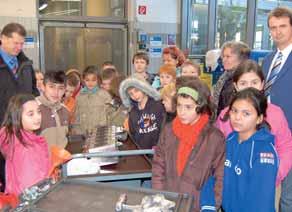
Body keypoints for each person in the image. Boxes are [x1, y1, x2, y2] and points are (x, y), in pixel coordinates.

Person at [216, 60, 292, 210]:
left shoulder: (276, 113)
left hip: (264, 180)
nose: (250, 87)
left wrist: (275, 174)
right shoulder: (226, 115)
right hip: (231, 183)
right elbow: (218, 149)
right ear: (236, 86)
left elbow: (286, 146)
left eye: (254, 82)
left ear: (262, 84)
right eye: (243, 83)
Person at [152, 78, 225, 211]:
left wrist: (211, 206)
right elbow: (158, 165)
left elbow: (220, 177)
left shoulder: (214, 138)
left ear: (201, 106)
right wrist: (159, 195)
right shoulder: (169, 131)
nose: (182, 112)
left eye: (188, 107)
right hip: (169, 201)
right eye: (179, 105)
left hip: (197, 205)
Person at [222, 88, 279, 212]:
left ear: (259, 118)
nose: (237, 117)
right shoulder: (230, 140)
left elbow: (261, 203)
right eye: (234, 111)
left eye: (246, 113)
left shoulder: (264, 153)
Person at [0, 22, 39, 192]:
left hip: (25, 133)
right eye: (15, 43)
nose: (19, 47)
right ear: (2, 39)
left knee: (26, 179)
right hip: (2, 132)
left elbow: (33, 92)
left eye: (22, 43)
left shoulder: (26, 65)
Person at [262, 7, 292, 212]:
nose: (278, 32)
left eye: (283, 26)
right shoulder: (267, 60)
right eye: (273, 28)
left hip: (290, 135)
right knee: (268, 189)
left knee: (288, 196)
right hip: (268, 134)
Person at [0, 94, 50, 195]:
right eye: (30, 114)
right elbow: (29, 182)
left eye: (39, 112)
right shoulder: (22, 146)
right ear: (17, 116)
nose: (38, 117)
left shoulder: (25, 137)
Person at [119, 76, 166, 149]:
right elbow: (134, 134)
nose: (134, 95)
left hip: (159, 151)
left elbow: (164, 129)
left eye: (136, 91)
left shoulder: (158, 106)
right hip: (142, 153)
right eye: (131, 94)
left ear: (144, 89)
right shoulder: (132, 112)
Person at [212, 41, 250, 116]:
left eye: (228, 56)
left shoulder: (244, 79)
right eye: (223, 56)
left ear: (241, 59)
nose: (224, 60)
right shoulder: (225, 76)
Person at [73, 66, 112, 135]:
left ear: (98, 80)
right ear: (83, 80)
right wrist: (77, 131)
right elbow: (76, 116)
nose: (90, 83)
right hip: (83, 133)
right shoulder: (79, 96)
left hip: (100, 134)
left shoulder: (104, 95)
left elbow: (109, 115)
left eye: (93, 80)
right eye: (87, 80)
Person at [36, 71, 69, 148]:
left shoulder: (65, 111)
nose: (56, 92)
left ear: (65, 90)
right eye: (51, 87)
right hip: (40, 159)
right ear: (43, 87)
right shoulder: (34, 109)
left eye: (60, 88)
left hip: (62, 158)